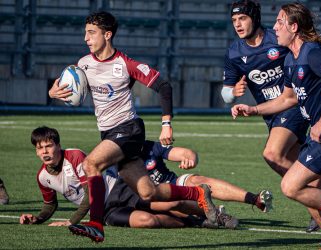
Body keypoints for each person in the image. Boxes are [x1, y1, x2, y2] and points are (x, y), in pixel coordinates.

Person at [48, 11, 218, 242]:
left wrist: (166, 124)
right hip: (109, 134)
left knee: (91, 164)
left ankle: (96, 224)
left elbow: (164, 86)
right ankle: (197, 193)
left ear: (107, 35)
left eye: (91, 33)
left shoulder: (125, 64)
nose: (85, 38)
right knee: (148, 191)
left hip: (129, 129)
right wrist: (54, 93)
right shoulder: (83, 64)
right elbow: (71, 90)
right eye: (85, 33)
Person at [231, 3, 321, 249]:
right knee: (310, 187)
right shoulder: (291, 60)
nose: (274, 27)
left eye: (280, 22)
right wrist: (253, 109)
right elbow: (287, 99)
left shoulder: (312, 53)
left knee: (291, 186)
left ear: (294, 27)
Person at [20, 126, 237, 230]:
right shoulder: (43, 177)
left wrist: (72, 220)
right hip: (108, 211)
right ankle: (194, 223)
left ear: (58, 145)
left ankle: (217, 215)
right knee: (147, 221)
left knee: (171, 203)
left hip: (120, 191)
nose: (45, 152)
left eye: (49, 146)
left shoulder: (74, 156)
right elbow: (50, 204)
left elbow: (90, 195)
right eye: (40, 149)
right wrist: (38, 218)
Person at [141, 140, 273, 212]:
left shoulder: (149, 146)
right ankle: (209, 213)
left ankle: (254, 199)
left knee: (196, 180)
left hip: (174, 185)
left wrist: (190, 159)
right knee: (169, 205)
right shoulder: (121, 158)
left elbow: (187, 153)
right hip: (149, 199)